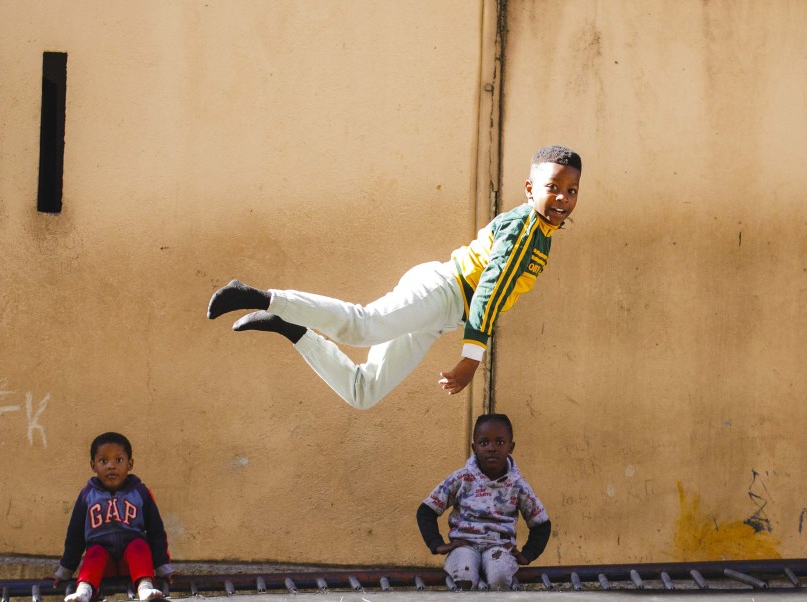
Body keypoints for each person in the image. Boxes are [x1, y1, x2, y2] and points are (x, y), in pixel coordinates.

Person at [207, 145, 581, 409]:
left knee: (363, 392)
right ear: (530, 188)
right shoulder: (526, 230)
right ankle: (258, 296)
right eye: (553, 188)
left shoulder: (544, 235)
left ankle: (289, 326)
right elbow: (489, 290)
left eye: (571, 191)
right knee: (363, 326)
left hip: (446, 315)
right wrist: (472, 357)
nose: (562, 199)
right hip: (444, 290)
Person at [416, 413, 551, 590]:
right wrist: (437, 544)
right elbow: (426, 511)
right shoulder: (462, 478)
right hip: (464, 546)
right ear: (474, 447)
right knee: (465, 576)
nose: (492, 448)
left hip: (499, 549)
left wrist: (528, 554)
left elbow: (541, 524)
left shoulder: (518, 485)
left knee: (499, 577)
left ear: (511, 447)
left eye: (500, 442)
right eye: (484, 443)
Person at [53, 432, 174, 602]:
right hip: (103, 565)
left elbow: (156, 531)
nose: (111, 466)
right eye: (103, 461)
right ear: (93, 465)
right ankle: (84, 590)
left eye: (118, 460)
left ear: (130, 464)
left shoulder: (140, 493)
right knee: (94, 551)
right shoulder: (87, 495)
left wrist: (163, 567)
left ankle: (145, 587)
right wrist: (64, 571)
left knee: (139, 546)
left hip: (131, 563)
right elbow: (75, 535)